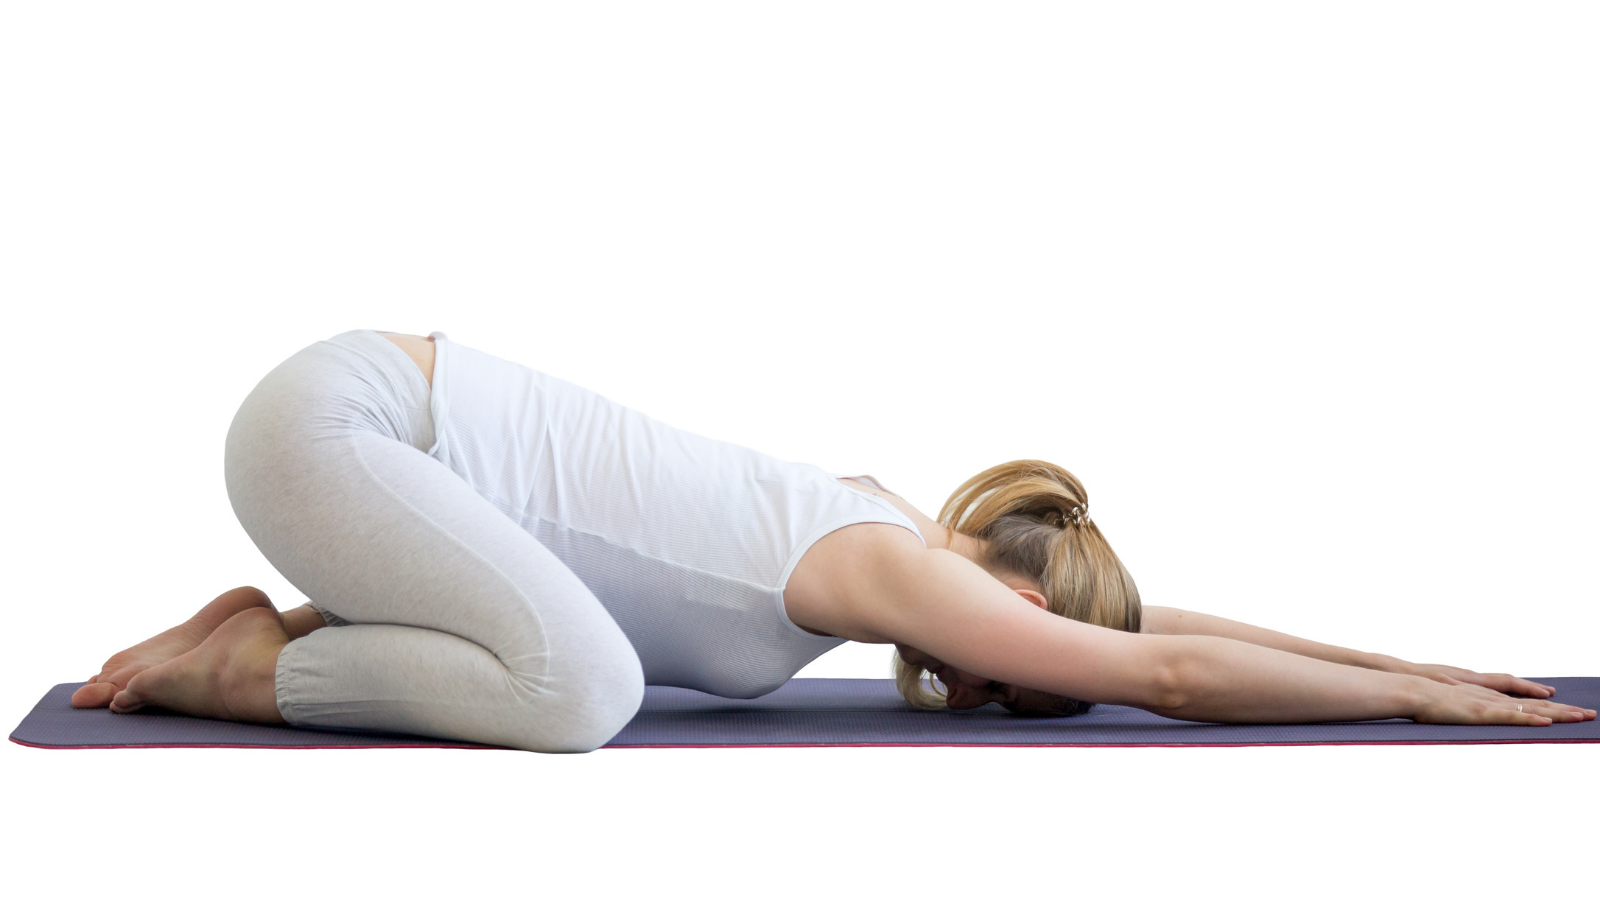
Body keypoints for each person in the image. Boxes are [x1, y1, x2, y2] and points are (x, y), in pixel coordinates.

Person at [72, 330, 1594, 752]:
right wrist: (1408, 708)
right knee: (575, 696)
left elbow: (1156, 637)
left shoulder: (904, 560)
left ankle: (288, 635)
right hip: (342, 430)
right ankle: (247, 670)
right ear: (1003, 583)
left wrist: (1400, 656)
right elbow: (1175, 674)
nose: (1001, 687)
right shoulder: (900, 571)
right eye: (1022, 664)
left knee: (570, 666)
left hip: (372, 459)